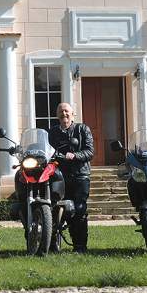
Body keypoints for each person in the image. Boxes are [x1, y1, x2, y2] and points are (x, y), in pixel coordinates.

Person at [47, 102, 94, 252]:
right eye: (61, 112)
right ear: (57, 115)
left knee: (79, 210)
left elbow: (90, 152)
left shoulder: (82, 129)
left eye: (67, 111)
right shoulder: (53, 132)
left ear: (73, 114)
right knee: (53, 208)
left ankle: (80, 246)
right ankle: (52, 243)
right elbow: (48, 150)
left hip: (80, 175)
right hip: (59, 176)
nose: (64, 114)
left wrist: (75, 155)